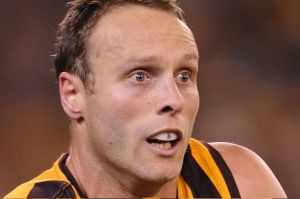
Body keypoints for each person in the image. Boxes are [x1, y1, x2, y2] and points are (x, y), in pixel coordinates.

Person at [5, 0, 286, 198]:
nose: (173, 100)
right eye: (140, 76)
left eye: (184, 76)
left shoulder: (239, 182)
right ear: (73, 95)